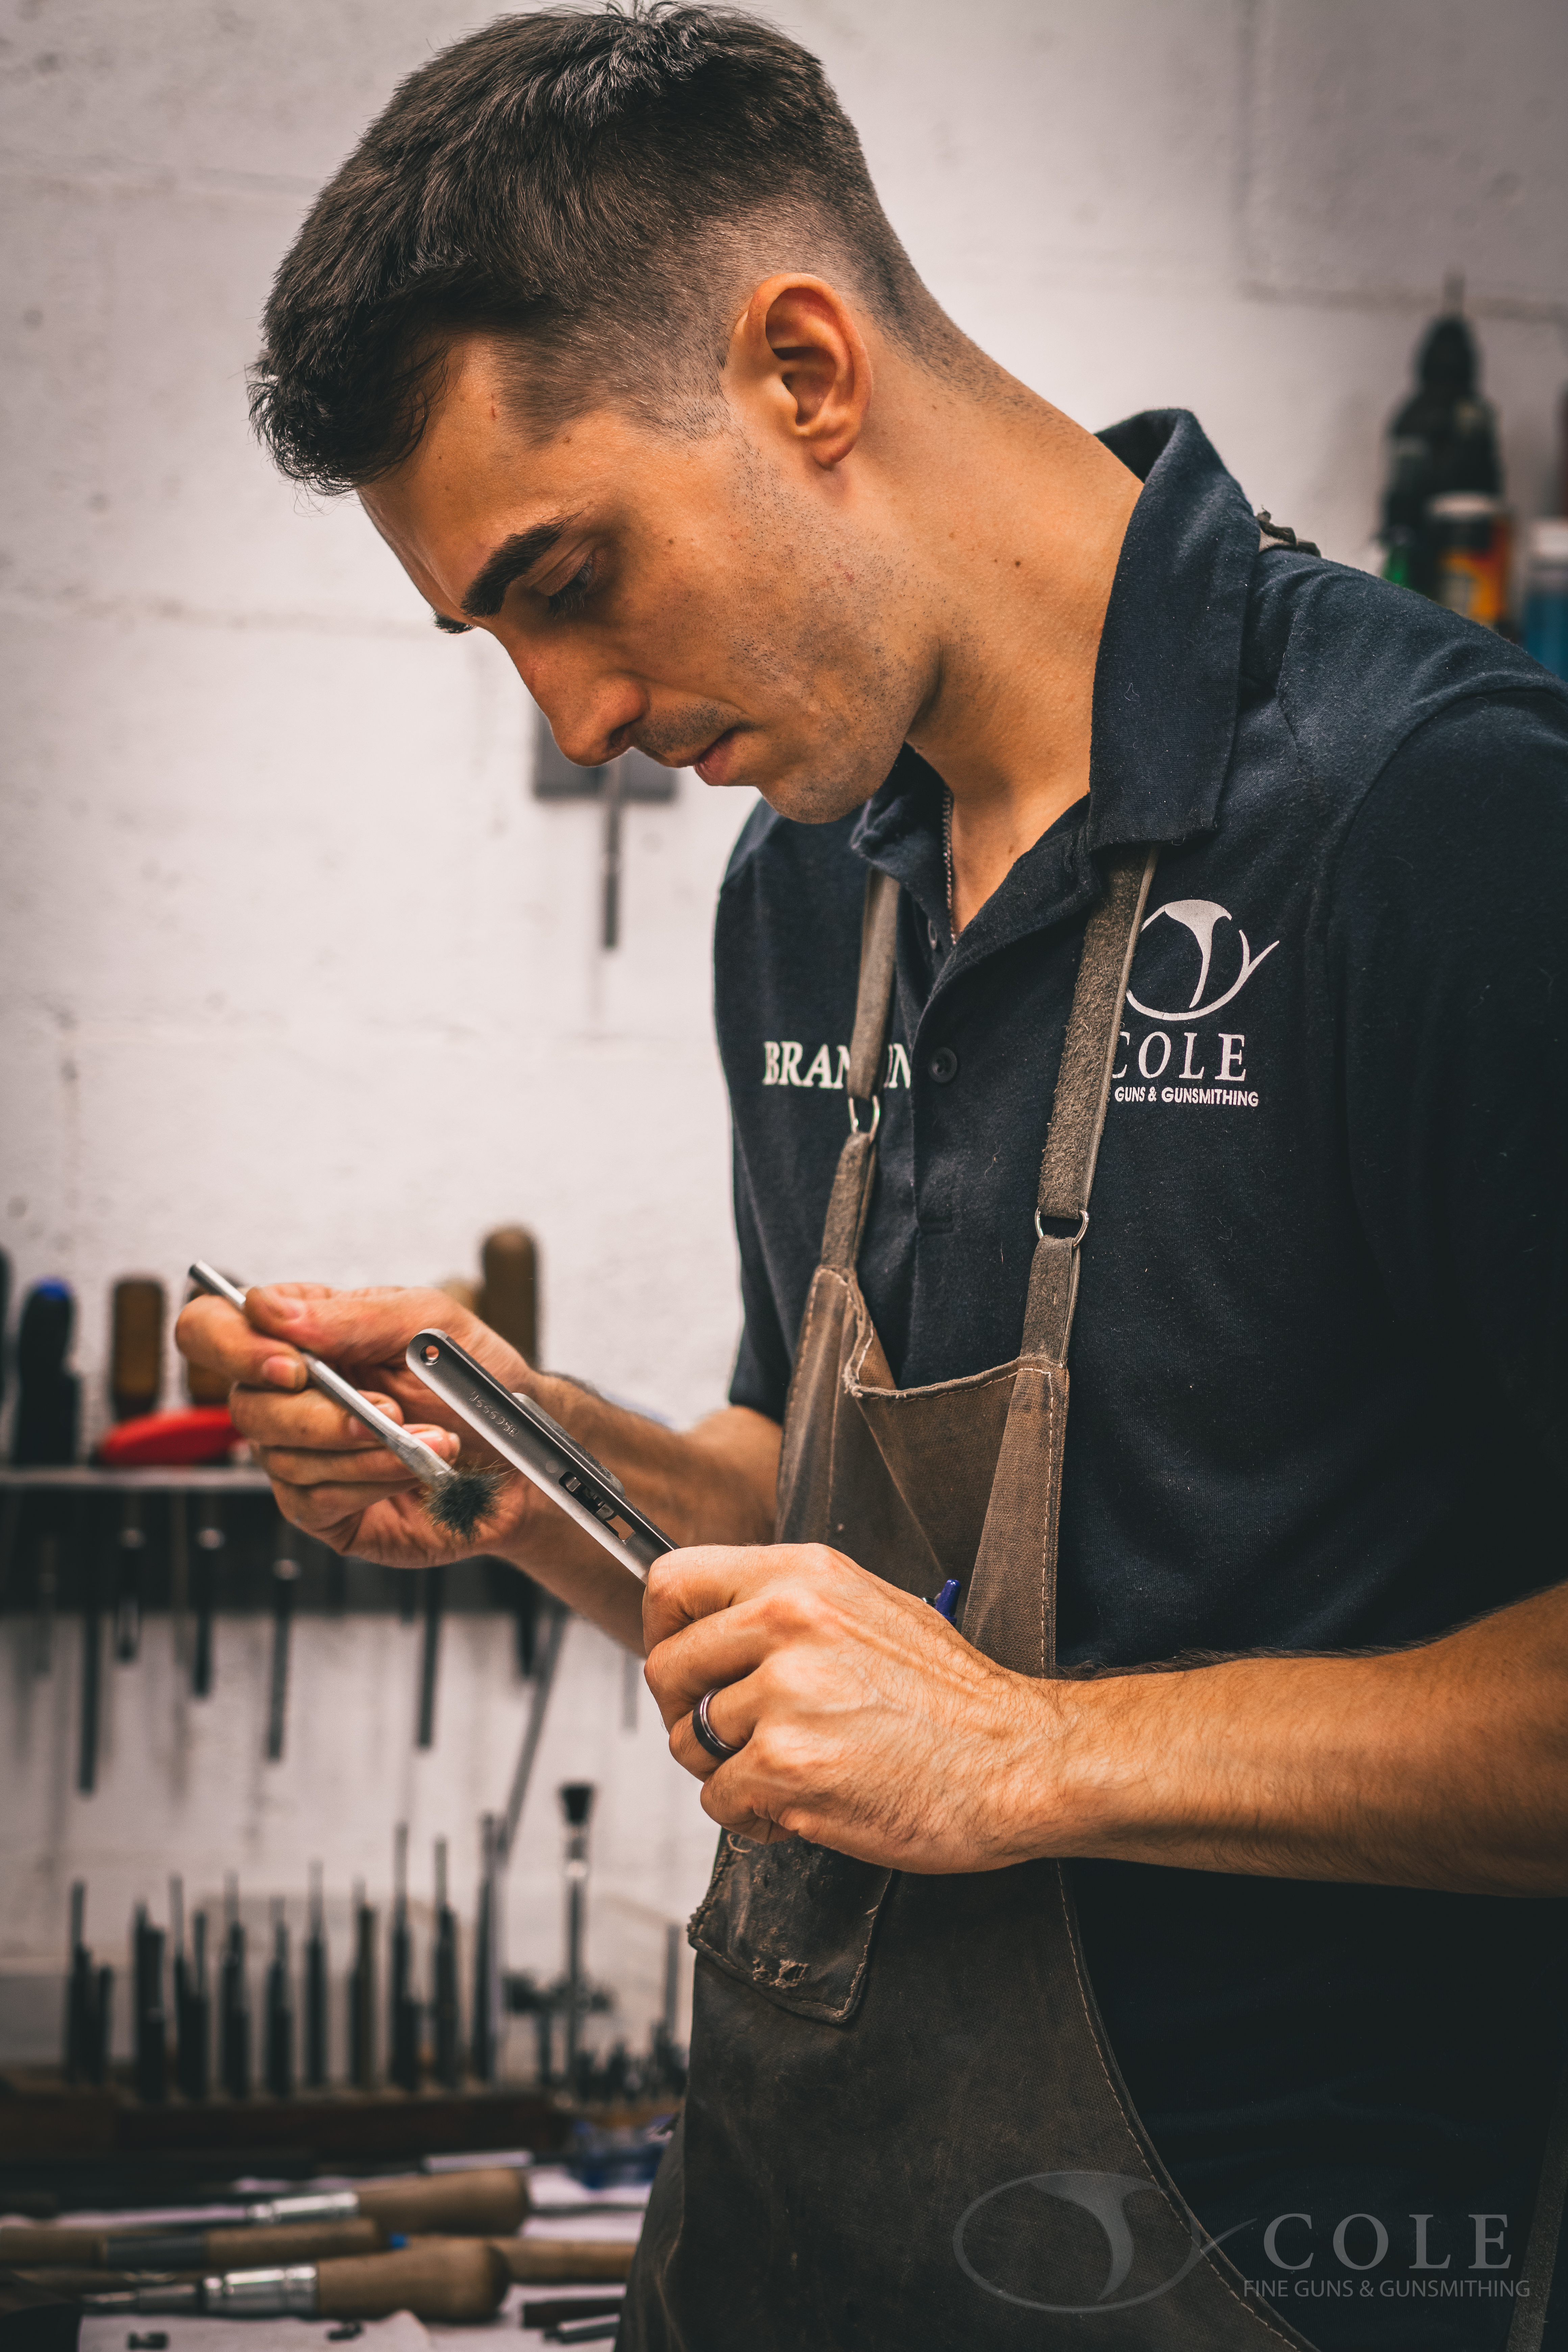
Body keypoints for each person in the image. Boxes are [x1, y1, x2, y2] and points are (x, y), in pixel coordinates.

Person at [177, 8, 1568, 2347]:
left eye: (572, 575)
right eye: (500, 634)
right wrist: (528, 1465)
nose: (583, 719)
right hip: (801, 2244)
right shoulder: (817, 878)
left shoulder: (1443, 828)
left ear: (805, 367)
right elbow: (810, 1533)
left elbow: (972, 1725)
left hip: (1271, 2273)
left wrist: (1031, 1757)